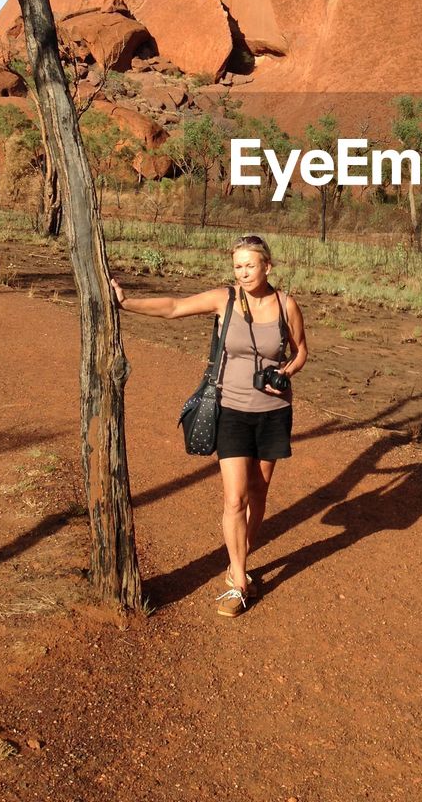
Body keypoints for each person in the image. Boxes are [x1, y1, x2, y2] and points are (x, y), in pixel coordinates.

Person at [110, 234, 307, 617]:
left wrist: (286, 372)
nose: (244, 272)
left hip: (272, 410)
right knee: (234, 498)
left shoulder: (286, 305)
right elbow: (174, 307)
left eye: (250, 265)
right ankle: (239, 579)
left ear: (268, 266)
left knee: (258, 493)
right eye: (238, 266)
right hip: (230, 408)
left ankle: (240, 558)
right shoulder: (225, 299)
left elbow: (301, 351)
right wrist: (127, 302)